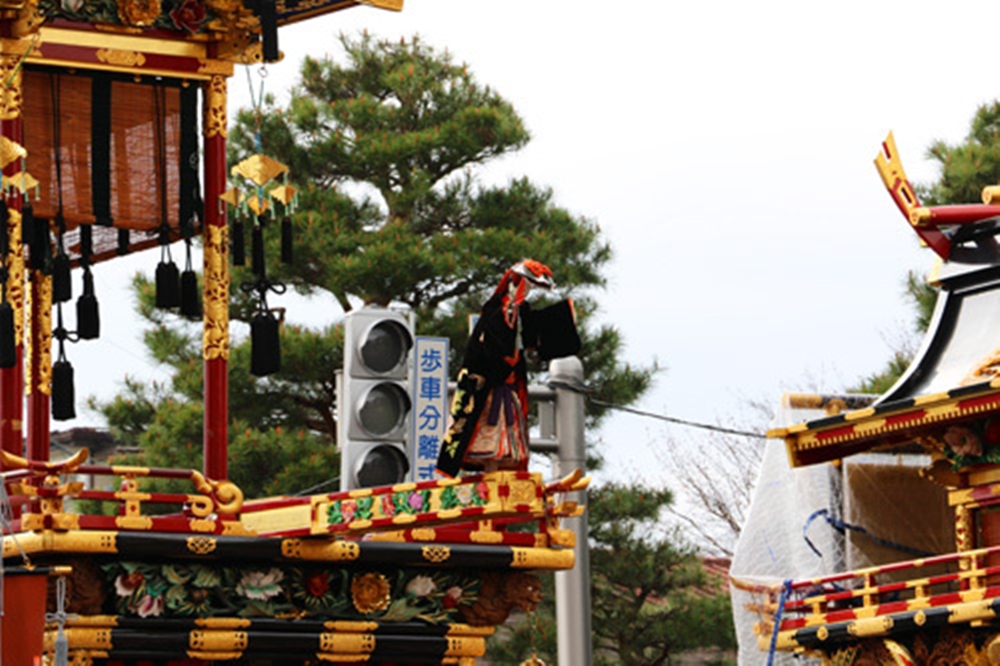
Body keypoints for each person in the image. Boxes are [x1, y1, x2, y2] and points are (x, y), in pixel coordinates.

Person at [436, 259, 581, 478]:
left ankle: (501, 477)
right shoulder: (495, 313)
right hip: (490, 391)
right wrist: (502, 363)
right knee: (488, 439)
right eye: (527, 285)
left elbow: (534, 332)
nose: (527, 291)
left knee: (511, 446)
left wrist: (563, 319)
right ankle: (490, 477)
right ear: (514, 283)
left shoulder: (519, 313)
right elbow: (487, 352)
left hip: (510, 389)